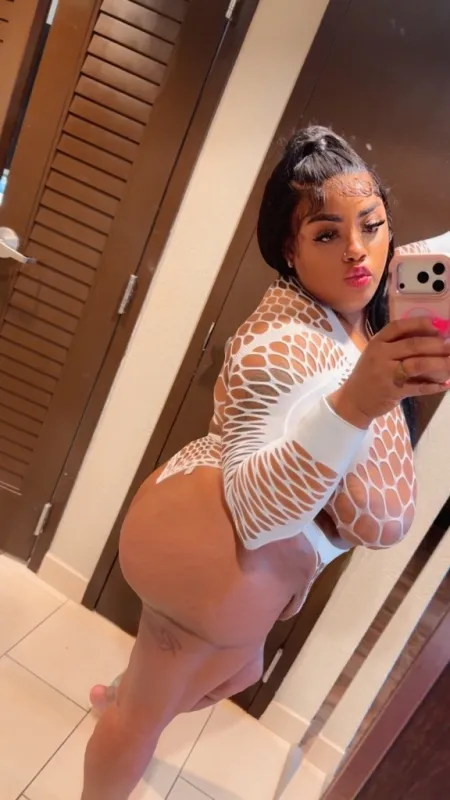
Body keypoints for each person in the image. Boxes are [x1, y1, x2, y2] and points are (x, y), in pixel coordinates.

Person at [81, 127, 450, 800]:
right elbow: (258, 512)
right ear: (289, 248)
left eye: (371, 225)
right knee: (143, 719)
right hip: (208, 553)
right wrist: (357, 403)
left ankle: (125, 696)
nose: (358, 250)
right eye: (327, 234)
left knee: (233, 674)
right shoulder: (276, 345)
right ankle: (122, 722)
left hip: (248, 574)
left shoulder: (366, 315)